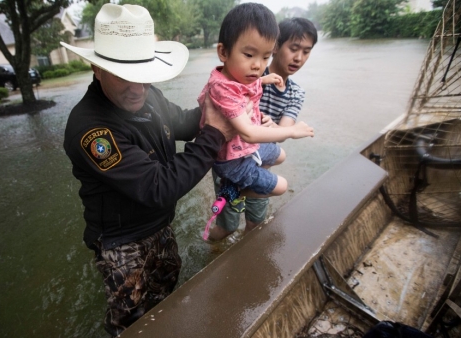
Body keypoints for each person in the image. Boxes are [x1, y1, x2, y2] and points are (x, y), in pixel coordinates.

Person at [60, 4, 236, 337]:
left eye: (143, 74)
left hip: (159, 224)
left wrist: (222, 99)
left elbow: (182, 122)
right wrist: (214, 135)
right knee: (131, 321)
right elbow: (158, 186)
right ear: (96, 68)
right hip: (122, 242)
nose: (137, 87)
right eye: (122, 74)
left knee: (166, 295)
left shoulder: (146, 93)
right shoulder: (92, 130)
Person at [198, 3, 314, 241]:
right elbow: (250, 128)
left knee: (256, 223)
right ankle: (213, 238)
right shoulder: (243, 73)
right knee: (228, 225)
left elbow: (278, 133)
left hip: (254, 155)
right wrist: (289, 131)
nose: (299, 58)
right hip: (234, 155)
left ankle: (243, 250)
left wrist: (280, 128)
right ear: (279, 45)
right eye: (294, 48)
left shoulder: (283, 87)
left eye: (306, 51)